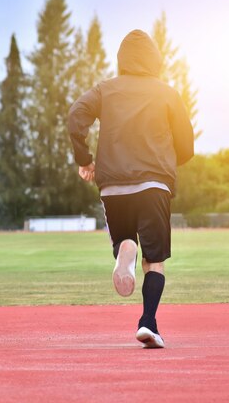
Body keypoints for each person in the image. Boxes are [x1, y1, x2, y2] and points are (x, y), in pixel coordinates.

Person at [68, 29, 194, 348]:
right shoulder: (167, 92)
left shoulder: (105, 90)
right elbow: (187, 145)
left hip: (113, 186)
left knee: (126, 239)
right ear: (155, 60)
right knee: (155, 260)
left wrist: (84, 159)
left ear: (122, 60)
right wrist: (168, 160)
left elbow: (75, 117)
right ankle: (148, 323)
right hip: (154, 184)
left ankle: (125, 249)